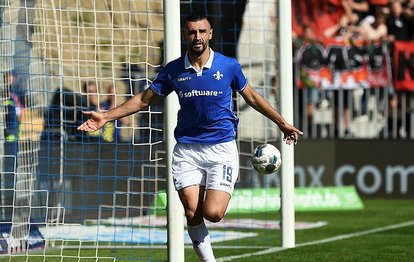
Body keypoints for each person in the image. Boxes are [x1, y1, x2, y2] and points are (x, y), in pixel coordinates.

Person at [77, 13, 303, 261]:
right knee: (192, 211)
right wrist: (106, 117)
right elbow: (143, 100)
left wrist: (282, 123)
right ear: (185, 35)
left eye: (202, 31)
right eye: (192, 32)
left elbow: (253, 97)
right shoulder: (173, 70)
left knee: (214, 213)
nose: (197, 37)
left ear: (210, 34)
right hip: (187, 150)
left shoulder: (228, 66)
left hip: (221, 148)